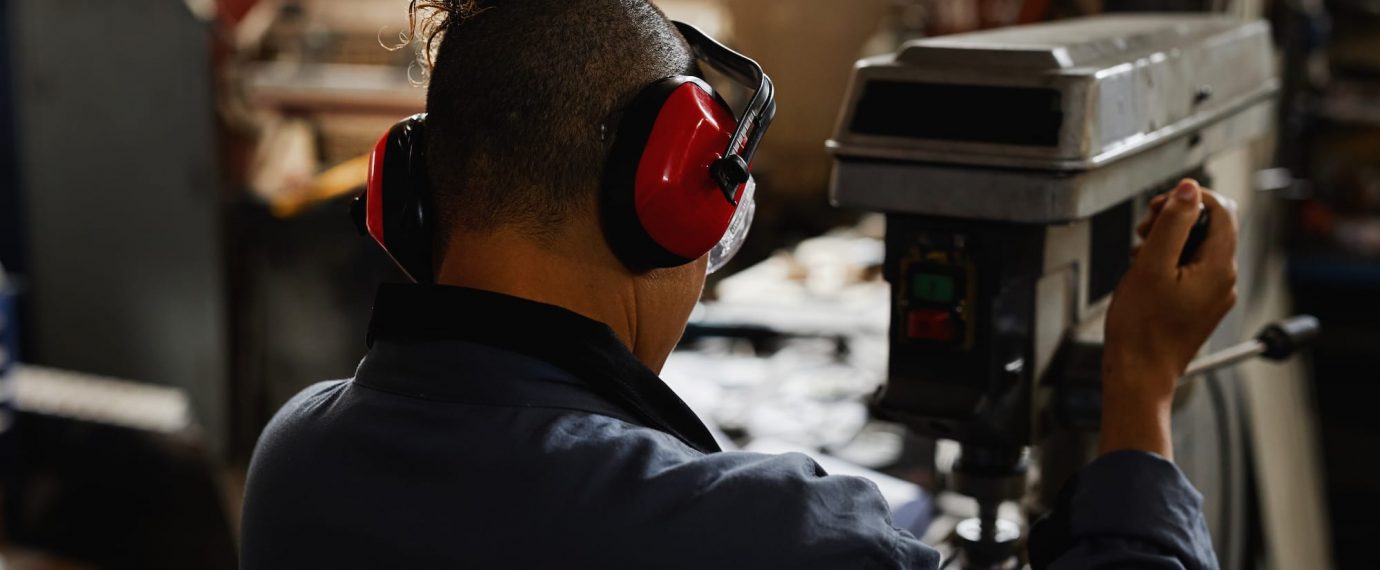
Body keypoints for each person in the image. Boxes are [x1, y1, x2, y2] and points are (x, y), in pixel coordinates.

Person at [239, 1, 1238, 568]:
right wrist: (1140, 386)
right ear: (672, 197)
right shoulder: (766, 538)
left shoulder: (293, 466)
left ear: (407, 199)